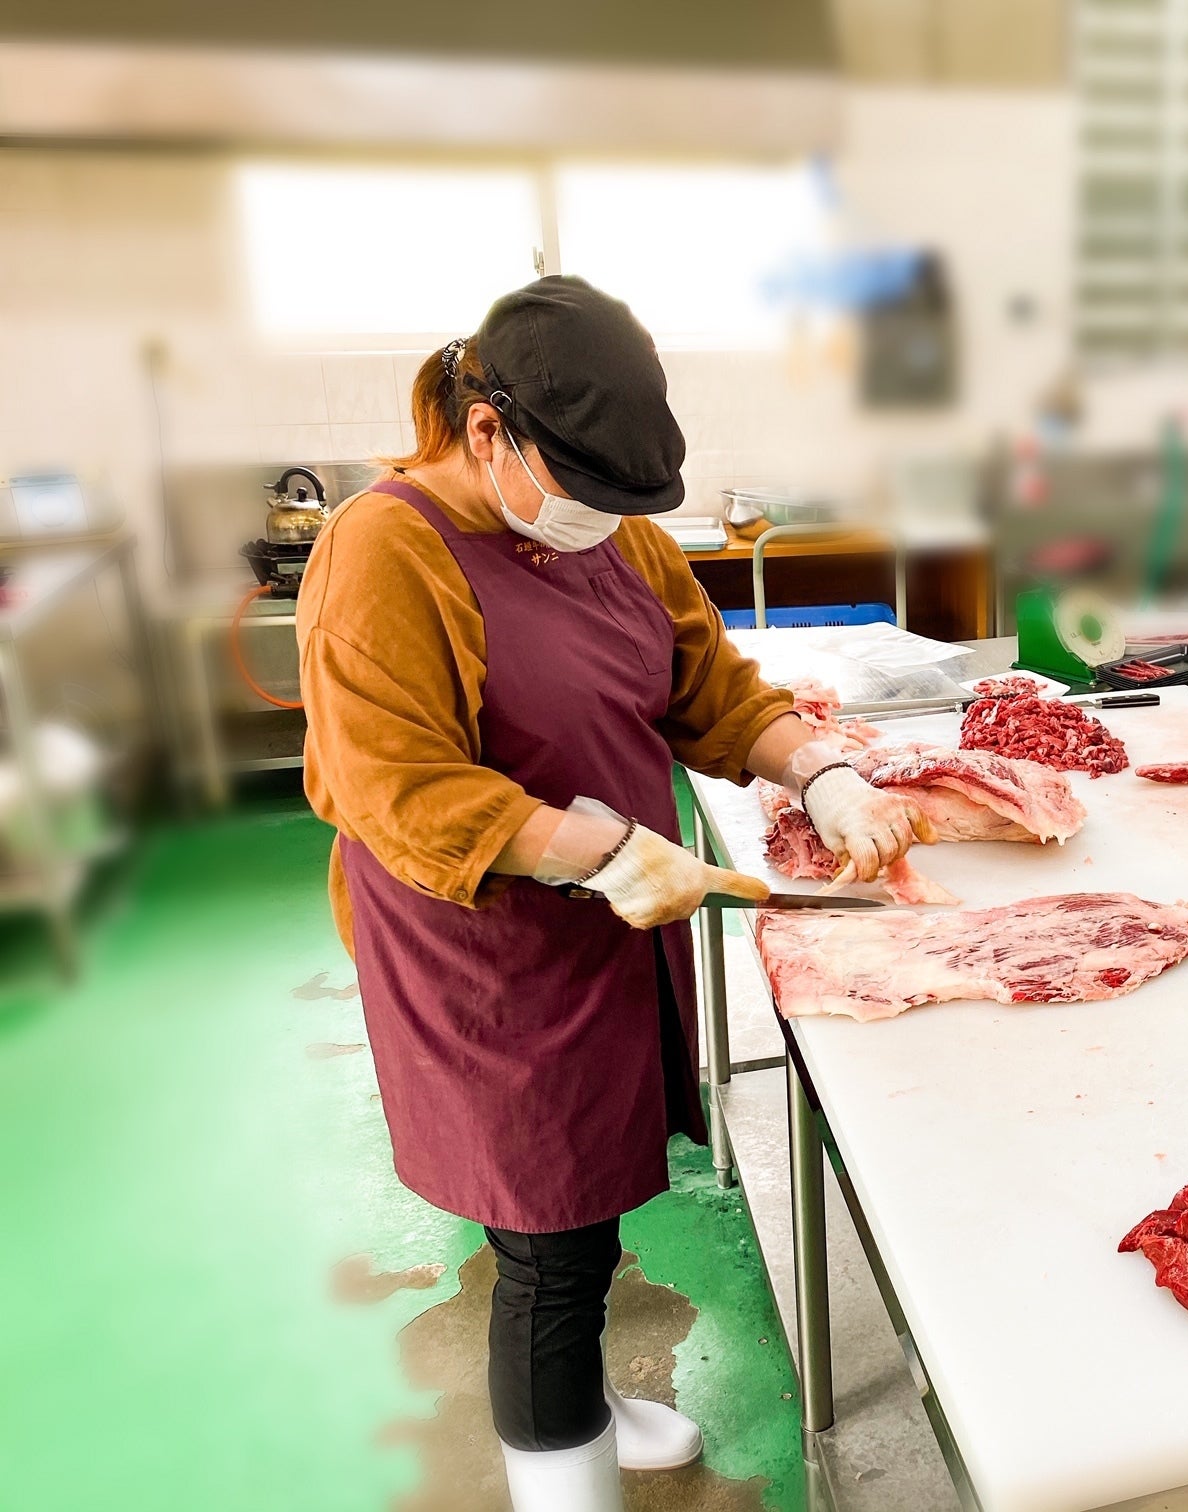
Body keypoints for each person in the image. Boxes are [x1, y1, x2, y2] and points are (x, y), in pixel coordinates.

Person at [297, 276, 934, 1511]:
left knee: (589, 1199)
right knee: (546, 1244)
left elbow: (709, 688)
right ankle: (563, 1475)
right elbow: (391, 783)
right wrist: (593, 852)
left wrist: (821, 770)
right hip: (482, 953)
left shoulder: (614, 533)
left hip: (607, 928)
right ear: (487, 430)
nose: (605, 523)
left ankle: (583, 1407)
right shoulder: (385, 549)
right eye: (584, 492)